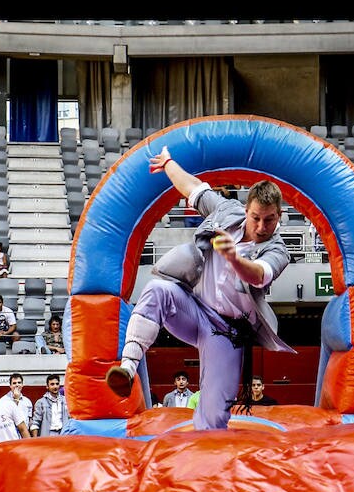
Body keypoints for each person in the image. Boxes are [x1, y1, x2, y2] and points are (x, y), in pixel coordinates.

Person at [105, 145, 295, 430]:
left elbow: (259, 275)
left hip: (227, 332)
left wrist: (233, 256)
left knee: (213, 416)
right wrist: (168, 163)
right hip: (193, 309)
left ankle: (209, 460)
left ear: (279, 216)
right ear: (247, 210)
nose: (261, 225)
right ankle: (128, 368)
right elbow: (194, 188)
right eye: (256, 217)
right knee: (157, 290)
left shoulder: (278, 249)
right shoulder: (227, 211)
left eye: (269, 219)